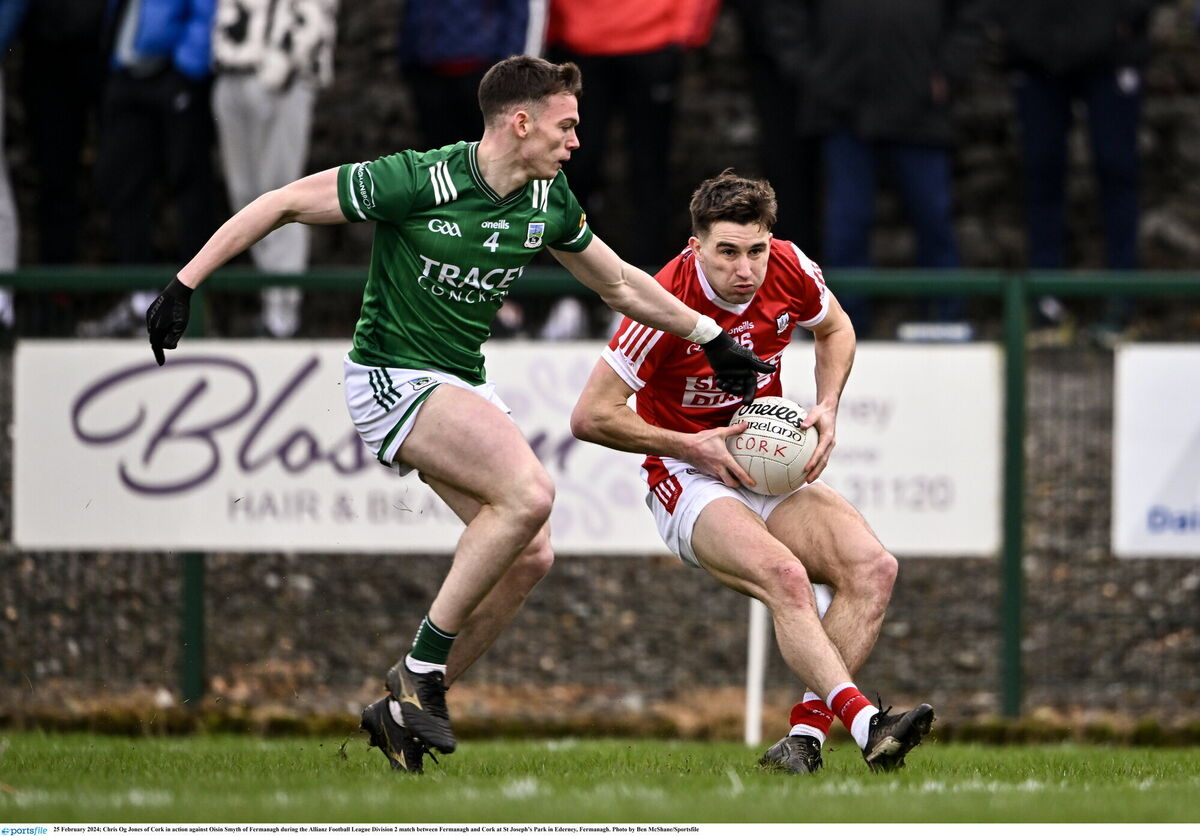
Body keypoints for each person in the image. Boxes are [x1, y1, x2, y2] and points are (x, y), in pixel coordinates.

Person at [144, 56, 774, 773]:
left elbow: (621, 283)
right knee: (530, 493)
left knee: (531, 552)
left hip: (460, 379)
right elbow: (281, 202)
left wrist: (709, 335)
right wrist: (186, 282)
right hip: (389, 375)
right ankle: (419, 670)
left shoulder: (548, 199)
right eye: (566, 126)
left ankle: (407, 707)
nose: (575, 141)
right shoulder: (418, 178)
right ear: (521, 122)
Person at [570, 171, 935, 774]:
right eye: (728, 252)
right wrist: (691, 445)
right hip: (684, 476)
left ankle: (804, 743)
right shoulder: (663, 299)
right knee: (786, 578)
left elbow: (836, 327)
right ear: (697, 247)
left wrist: (828, 404)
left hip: (761, 466)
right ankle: (870, 723)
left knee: (873, 568)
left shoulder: (790, 267)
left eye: (756, 250)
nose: (745, 268)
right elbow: (590, 415)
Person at [802, 0, 987, 332]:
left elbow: (973, 16)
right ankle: (843, 324)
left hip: (920, 110)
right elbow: (784, 15)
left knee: (933, 217)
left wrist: (949, 70)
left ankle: (946, 317)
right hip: (843, 108)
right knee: (847, 224)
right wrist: (814, 71)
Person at [991, 0, 1160, 335]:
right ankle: (1045, 298)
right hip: (1036, 55)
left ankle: (1122, 298)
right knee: (1041, 176)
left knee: (1118, 172)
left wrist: (1123, 17)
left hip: (1114, 52)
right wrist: (1018, 26)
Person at [80, 0, 218, 337]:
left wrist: (188, 68)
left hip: (176, 72)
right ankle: (139, 298)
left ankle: (191, 306)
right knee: (121, 181)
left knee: (190, 185)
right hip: (127, 72)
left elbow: (206, 11)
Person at [211, 0, 339, 338]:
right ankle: (272, 308)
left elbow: (316, 16)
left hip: (284, 79)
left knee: (283, 195)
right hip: (232, 71)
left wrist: (284, 67)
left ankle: (283, 317)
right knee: (245, 199)